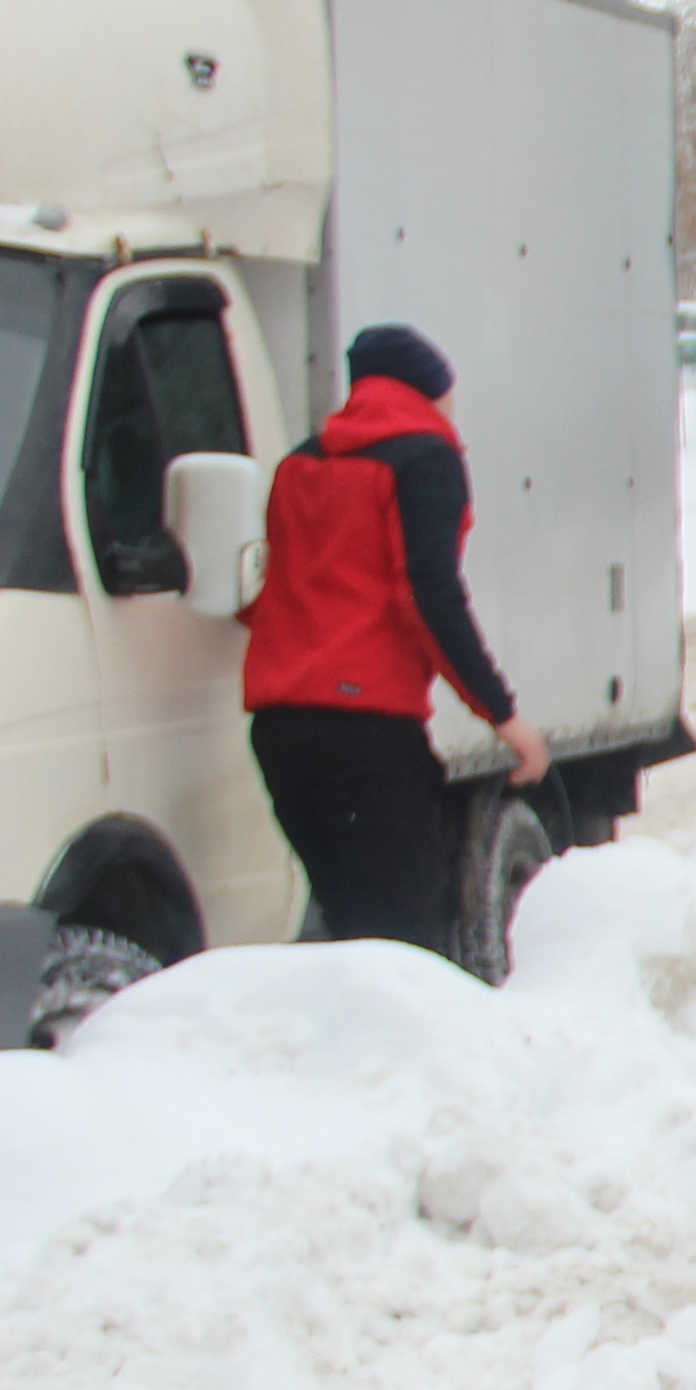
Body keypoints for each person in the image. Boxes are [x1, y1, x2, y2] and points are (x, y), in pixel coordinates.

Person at [240, 323, 552, 958]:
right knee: (407, 937)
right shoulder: (426, 460)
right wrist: (505, 716)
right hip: (367, 734)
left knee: (349, 925)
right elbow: (428, 596)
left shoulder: (300, 463)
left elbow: (280, 585)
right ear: (428, 393)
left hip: (280, 730)